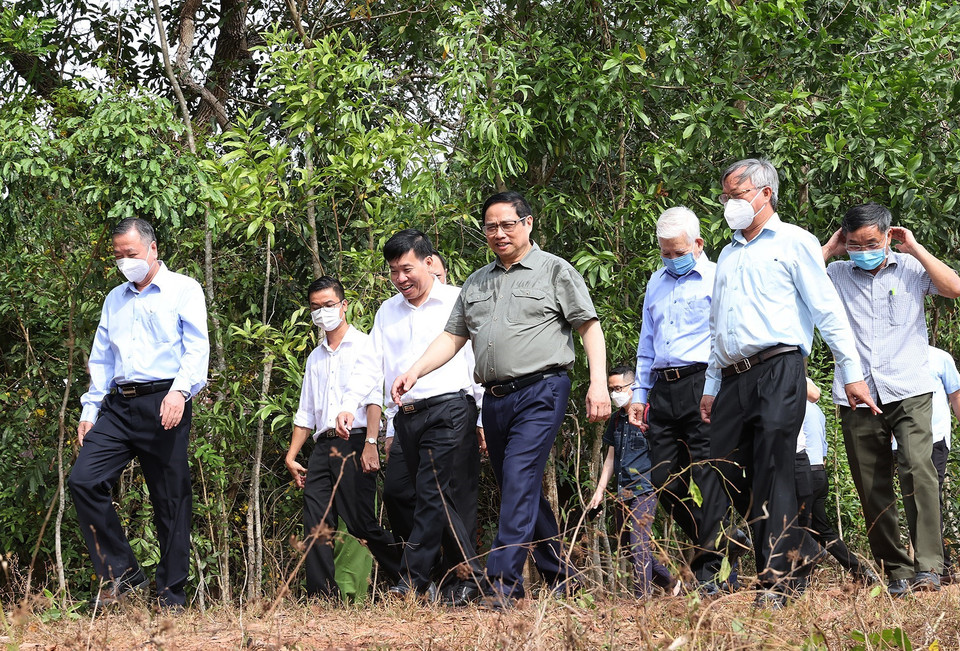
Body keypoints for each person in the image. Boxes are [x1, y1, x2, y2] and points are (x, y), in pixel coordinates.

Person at [391, 191, 611, 609]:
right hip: (494, 399)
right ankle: (563, 577)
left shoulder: (554, 271)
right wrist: (415, 370)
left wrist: (597, 383)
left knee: (519, 477)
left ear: (527, 224)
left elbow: (589, 328)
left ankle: (503, 585)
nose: (499, 233)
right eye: (491, 226)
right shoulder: (476, 282)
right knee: (518, 483)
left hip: (542, 389)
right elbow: (453, 337)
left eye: (508, 224)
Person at [698, 158, 878, 608]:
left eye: (736, 196)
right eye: (725, 197)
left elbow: (826, 310)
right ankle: (801, 545)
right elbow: (718, 325)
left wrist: (850, 371)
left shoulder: (796, 242)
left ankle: (775, 584)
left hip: (780, 367)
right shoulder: (729, 254)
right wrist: (711, 382)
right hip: (733, 377)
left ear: (764, 194)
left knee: (775, 469)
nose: (729, 205)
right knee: (720, 468)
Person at [336, 229, 484, 606]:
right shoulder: (388, 311)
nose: (401, 279)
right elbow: (374, 364)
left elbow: (476, 360)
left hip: (451, 408)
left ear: (429, 263)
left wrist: (481, 416)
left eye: (407, 269)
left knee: (436, 492)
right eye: (393, 272)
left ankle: (413, 580)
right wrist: (352, 404)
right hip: (407, 416)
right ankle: (469, 577)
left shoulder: (457, 300)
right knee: (400, 492)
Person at [68, 218, 209, 609]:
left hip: (165, 400)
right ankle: (123, 572)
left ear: (152, 249)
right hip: (118, 404)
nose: (124, 261)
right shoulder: (114, 299)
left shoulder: (183, 289)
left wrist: (180, 391)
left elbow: (197, 348)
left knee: (170, 501)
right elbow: (102, 358)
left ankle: (170, 595)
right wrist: (90, 408)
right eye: (118, 256)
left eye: (130, 254)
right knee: (84, 480)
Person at [822, 203, 960, 595]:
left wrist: (915, 248)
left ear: (887, 236)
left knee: (919, 469)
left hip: (910, 388)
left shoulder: (912, 269)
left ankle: (929, 566)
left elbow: (954, 287)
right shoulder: (834, 273)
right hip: (857, 391)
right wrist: (830, 249)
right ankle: (896, 569)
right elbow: (791, 282)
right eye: (854, 244)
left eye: (870, 242)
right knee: (871, 484)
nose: (862, 250)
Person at [628, 206, 746, 595]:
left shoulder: (719, 277)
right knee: (663, 479)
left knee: (707, 477)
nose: (672, 259)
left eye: (678, 252)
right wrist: (639, 395)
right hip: (663, 388)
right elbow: (646, 344)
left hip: (705, 383)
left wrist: (716, 386)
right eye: (665, 252)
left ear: (697, 244)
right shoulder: (654, 282)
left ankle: (711, 572)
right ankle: (721, 545)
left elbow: (725, 338)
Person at [284, 276, 402, 599]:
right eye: (315, 308)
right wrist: (292, 455)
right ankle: (322, 596)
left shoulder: (365, 345)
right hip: (322, 448)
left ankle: (409, 571)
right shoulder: (314, 358)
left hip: (356, 441)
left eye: (328, 305)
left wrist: (371, 444)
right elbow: (305, 414)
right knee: (317, 523)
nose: (322, 312)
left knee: (361, 522)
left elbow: (374, 399)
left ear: (343, 305)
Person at [589, 366, 675, 598]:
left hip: (644, 489)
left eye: (618, 388)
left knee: (639, 546)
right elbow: (610, 457)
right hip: (623, 491)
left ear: (633, 387)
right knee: (627, 547)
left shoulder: (649, 415)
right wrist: (599, 491)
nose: (614, 393)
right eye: (611, 389)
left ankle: (641, 601)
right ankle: (672, 584)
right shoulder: (616, 420)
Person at [794, 378, 877, 583]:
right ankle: (859, 572)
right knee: (822, 529)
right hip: (819, 473)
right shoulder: (817, 410)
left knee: (792, 524)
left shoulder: (792, 407)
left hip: (802, 472)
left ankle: (802, 570)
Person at [921, 345, 960, 580]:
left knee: (930, 497)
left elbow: (955, 394)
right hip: (893, 443)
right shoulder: (890, 356)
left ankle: (939, 565)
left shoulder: (939, 357)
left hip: (935, 439)